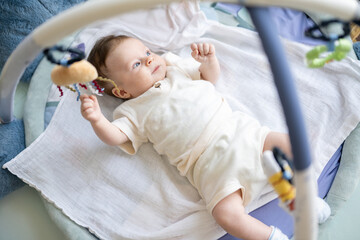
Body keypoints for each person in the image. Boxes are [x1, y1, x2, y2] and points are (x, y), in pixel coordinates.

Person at [80, 35, 327, 240]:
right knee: (225, 216)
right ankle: (271, 237)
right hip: (212, 168)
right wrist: (98, 120)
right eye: (137, 64)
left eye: (147, 52)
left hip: (242, 133)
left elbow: (209, 78)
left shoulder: (175, 68)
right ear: (122, 91)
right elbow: (115, 136)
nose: (149, 60)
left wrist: (209, 60)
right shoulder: (132, 111)